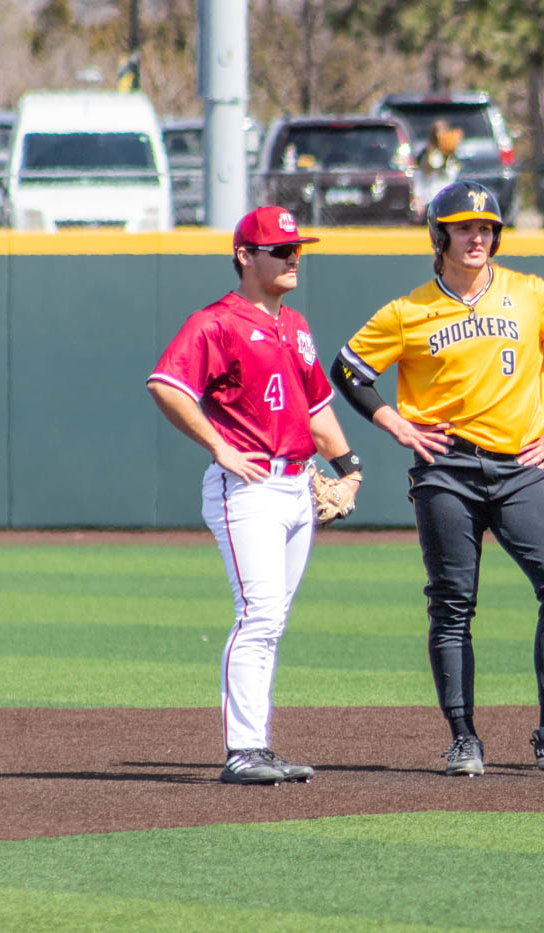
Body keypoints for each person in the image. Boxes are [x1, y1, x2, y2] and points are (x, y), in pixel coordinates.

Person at [331, 180, 544, 777]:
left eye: (487, 228)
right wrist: (394, 423)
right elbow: (348, 370)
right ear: (439, 236)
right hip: (447, 470)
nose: (478, 237)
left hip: (521, 466)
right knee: (453, 604)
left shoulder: (530, 293)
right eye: (465, 227)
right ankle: (464, 738)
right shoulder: (408, 311)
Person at [146, 206, 364, 785]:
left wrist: (348, 467)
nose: (294, 258)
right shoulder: (214, 323)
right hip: (248, 486)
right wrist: (219, 446)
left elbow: (316, 409)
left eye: (297, 249)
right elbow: (166, 386)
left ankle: (258, 746)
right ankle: (244, 749)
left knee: (273, 619)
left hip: (297, 485)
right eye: (280, 249)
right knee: (260, 614)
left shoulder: (294, 325)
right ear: (245, 255)